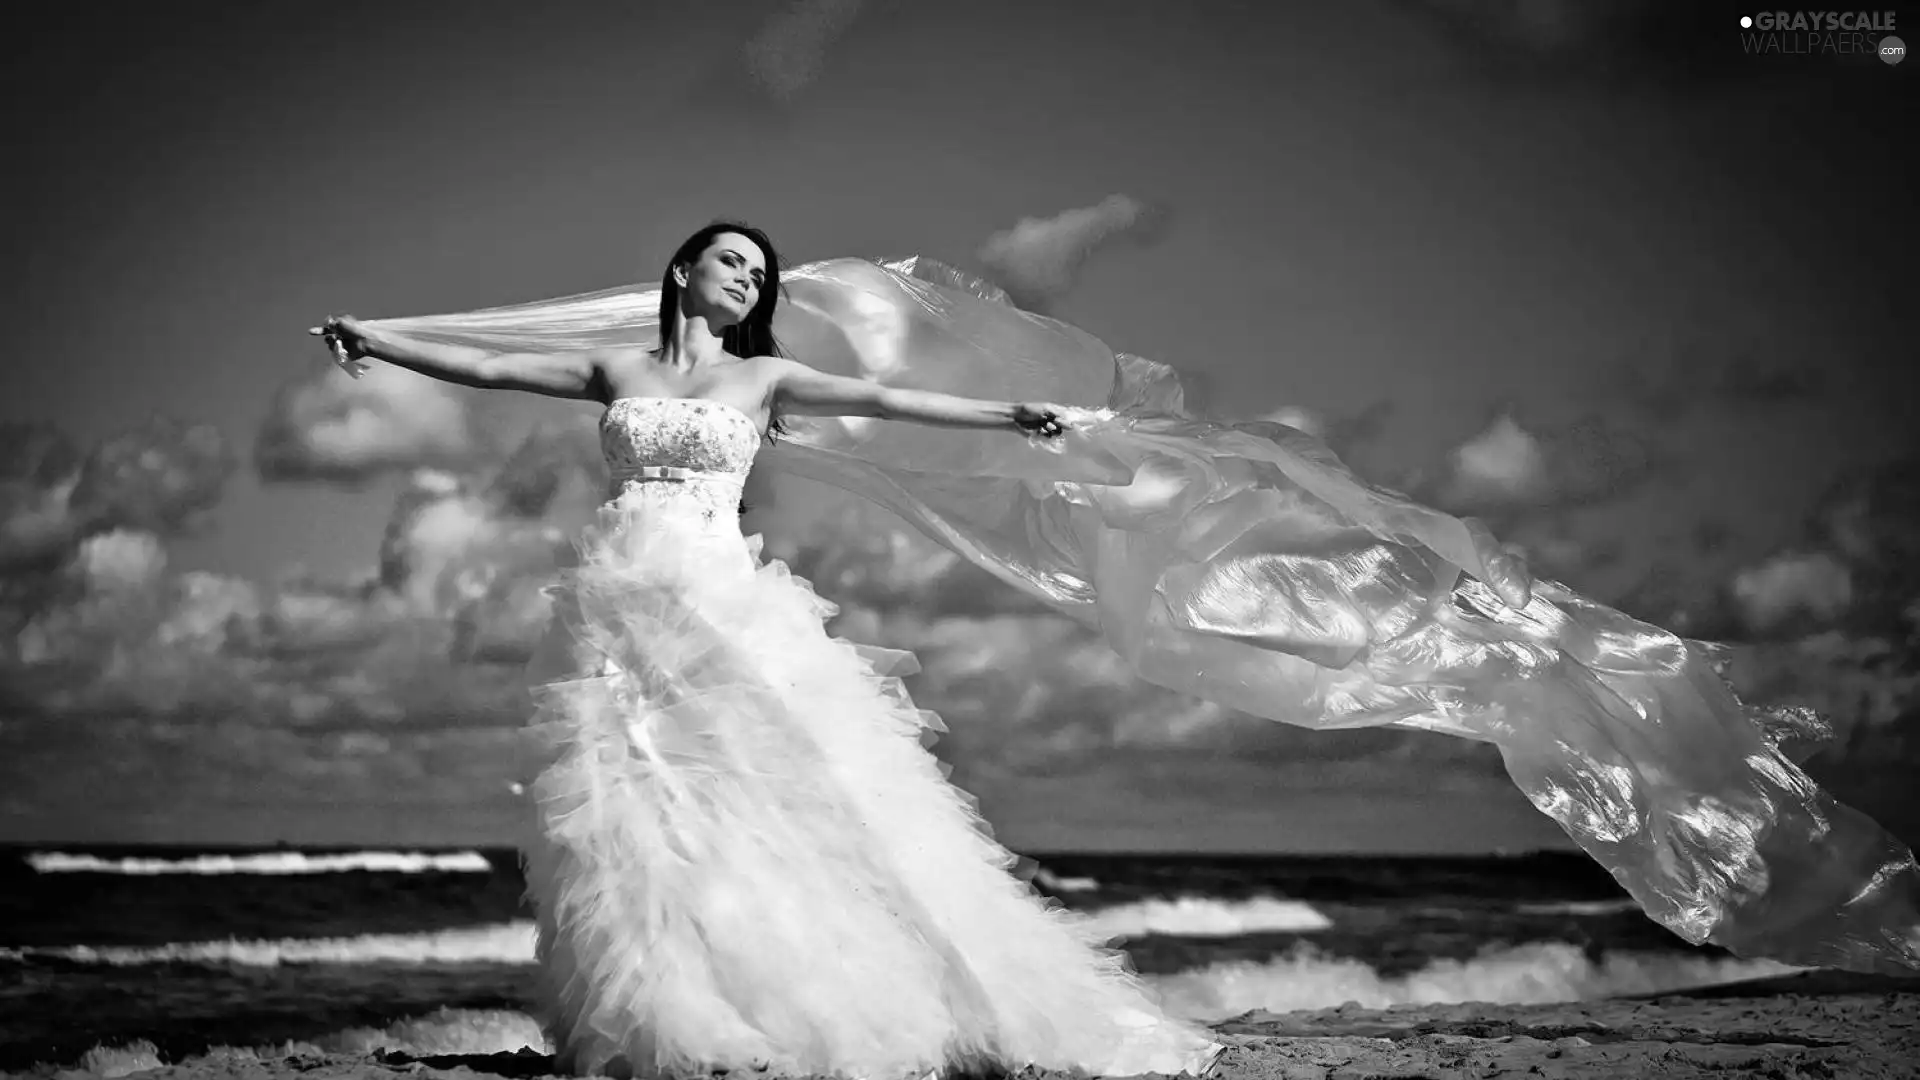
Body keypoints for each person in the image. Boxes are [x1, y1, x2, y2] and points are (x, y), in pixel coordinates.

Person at [312, 222, 1228, 1080]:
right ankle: (675, 1016)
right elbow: (483, 367)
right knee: (635, 799)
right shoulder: (612, 368)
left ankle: (837, 1001)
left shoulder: (763, 382)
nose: (749, 282)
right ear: (684, 274)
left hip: (721, 598)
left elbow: (884, 398)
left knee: (773, 787)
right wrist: (377, 338)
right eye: (733, 265)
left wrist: (1005, 416)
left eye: (760, 275)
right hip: (620, 600)